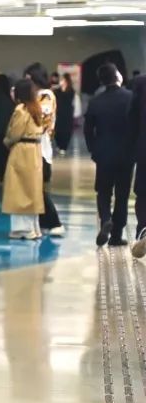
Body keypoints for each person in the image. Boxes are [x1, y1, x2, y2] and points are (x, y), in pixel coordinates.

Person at [85, 63, 134, 248]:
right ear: (117, 76)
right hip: (126, 154)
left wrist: (93, 149)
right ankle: (116, 236)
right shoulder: (130, 97)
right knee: (122, 195)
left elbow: (88, 130)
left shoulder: (95, 101)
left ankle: (106, 219)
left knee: (103, 191)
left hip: (104, 154)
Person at [2, 79, 45, 240]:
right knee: (32, 190)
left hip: (22, 150)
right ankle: (33, 228)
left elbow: (15, 132)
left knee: (18, 189)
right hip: (35, 150)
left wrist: (7, 142)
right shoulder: (37, 108)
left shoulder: (21, 109)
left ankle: (21, 229)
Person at [36, 88, 64, 236]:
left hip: (41, 152)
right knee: (38, 190)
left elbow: (42, 125)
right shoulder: (44, 97)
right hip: (42, 151)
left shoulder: (44, 96)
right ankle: (44, 222)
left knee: (39, 191)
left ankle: (54, 222)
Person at [130, 73, 146, 258]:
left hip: (144, 148)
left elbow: (132, 117)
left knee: (143, 193)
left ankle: (143, 230)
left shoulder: (141, 82)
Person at [53, 73, 75, 153]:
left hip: (67, 113)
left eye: (63, 80)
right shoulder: (57, 91)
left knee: (66, 130)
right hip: (58, 113)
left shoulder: (71, 90)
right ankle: (59, 145)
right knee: (58, 129)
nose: (61, 81)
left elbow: (69, 99)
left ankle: (64, 146)